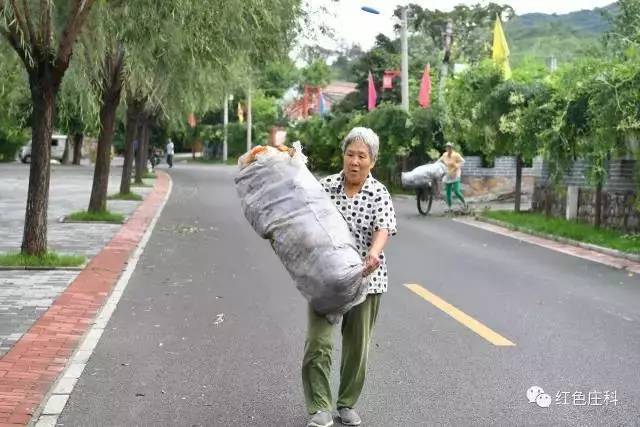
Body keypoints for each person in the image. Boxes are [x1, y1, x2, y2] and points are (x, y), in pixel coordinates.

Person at [304, 127, 397, 427]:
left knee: (357, 348)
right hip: (327, 279)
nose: (354, 161)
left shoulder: (378, 192)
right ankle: (319, 406)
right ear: (342, 156)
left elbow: (384, 227)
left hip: (366, 278)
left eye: (362, 156)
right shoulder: (326, 186)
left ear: (372, 161)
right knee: (318, 343)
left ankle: (346, 403)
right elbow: (305, 217)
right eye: (350, 154)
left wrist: (373, 252)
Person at [439, 142, 467, 211]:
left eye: (450, 147)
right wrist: (433, 165)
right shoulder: (444, 155)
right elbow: (439, 161)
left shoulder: (456, 155)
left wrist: (457, 166)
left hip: (455, 174)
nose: (448, 148)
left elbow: (463, 161)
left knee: (456, 191)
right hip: (448, 174)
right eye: (447, 147)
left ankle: (464, 203)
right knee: (448, 193)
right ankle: (450, 207)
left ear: (452, 148)